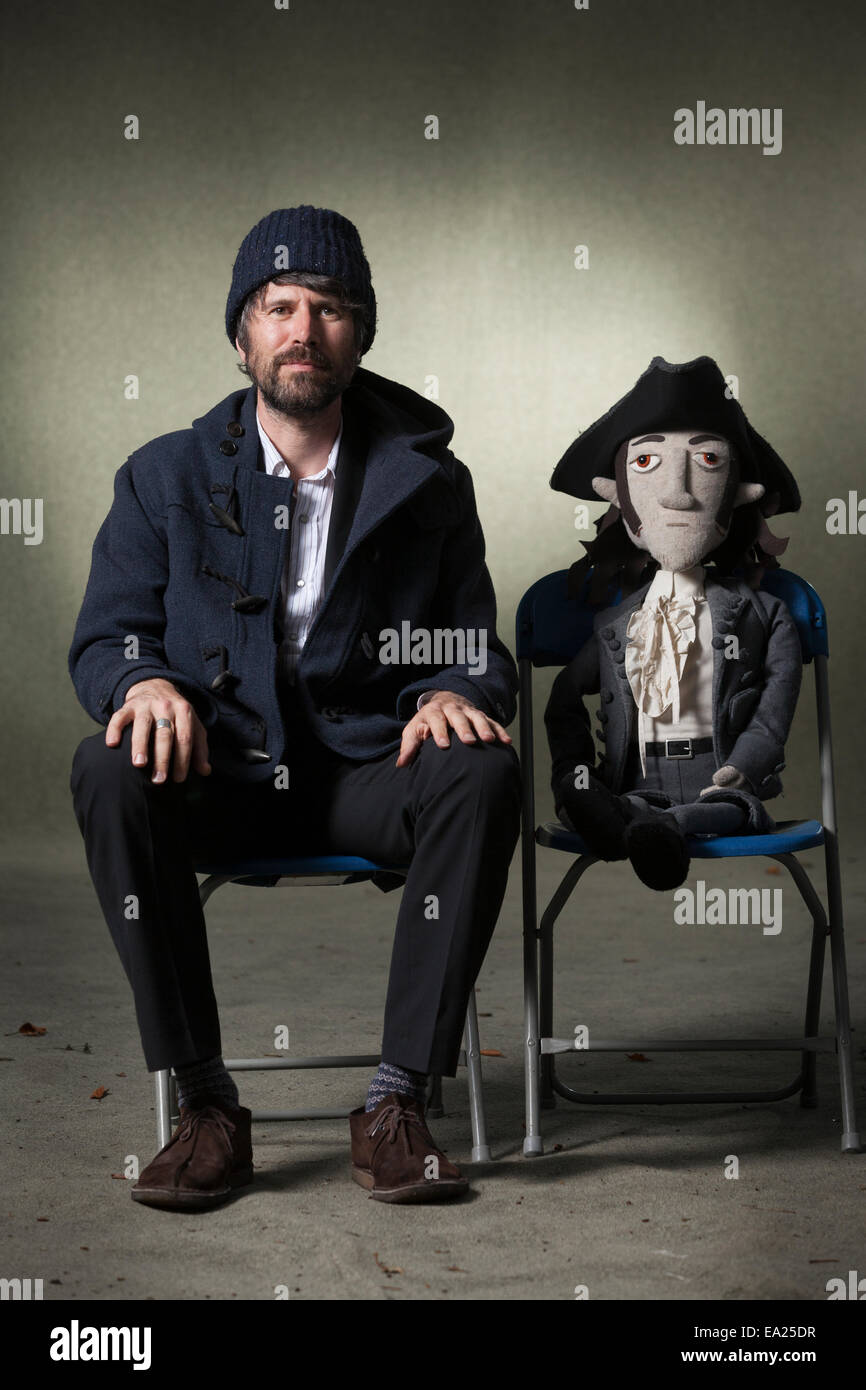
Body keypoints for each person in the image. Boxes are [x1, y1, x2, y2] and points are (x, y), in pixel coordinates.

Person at [69, 205, 521, 1209]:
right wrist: (142, 681)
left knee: (482, 765)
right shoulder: (163, 477)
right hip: (218, 770)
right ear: (243, 333)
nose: (302, 330)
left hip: (367, 772)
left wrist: (452, 687)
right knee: (104, 763)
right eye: (279, 307)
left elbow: (472, 644)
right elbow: (108, 637)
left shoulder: (428, 483)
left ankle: (398, 1098)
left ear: (359, 333)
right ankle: (205, 1105)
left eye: (329, 308)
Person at [544, 355, 802, 891]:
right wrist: (574, 771)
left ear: (738, 492)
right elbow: (564, 696)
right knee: (622, 805)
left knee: (728, 808)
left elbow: (777, 703)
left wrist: (747, 765)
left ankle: (656, 830)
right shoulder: (615, 625)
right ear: (616, 494)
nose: (679, 493)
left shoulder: (765, 615)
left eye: (708, 459)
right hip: (641, 780)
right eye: (645, 464)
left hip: (722, 778)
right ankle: (621, 816)